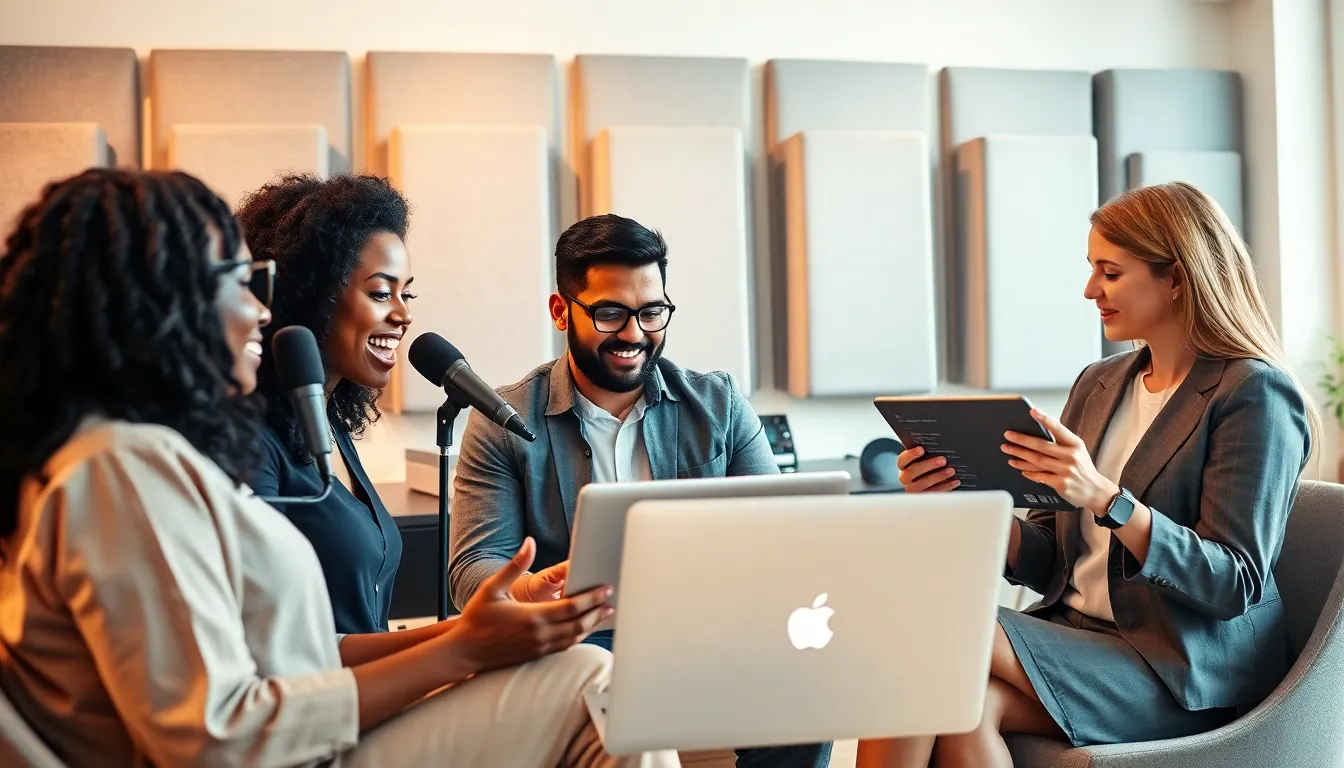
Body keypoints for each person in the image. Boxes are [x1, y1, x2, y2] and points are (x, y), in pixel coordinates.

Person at [0, 168, 678, 768]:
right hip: (304, 752)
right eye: (243, 283)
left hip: (316, 734)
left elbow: (288, 656)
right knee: (592, 678)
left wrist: (470, 631)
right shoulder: (117, 468)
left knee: (588, 680)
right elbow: (218, 736)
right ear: (162, 304)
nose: (260, 310)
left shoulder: (132, 463)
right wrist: (463, 652)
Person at [857, 181, 1315, 767]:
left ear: (1176, 277)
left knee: (926, 626)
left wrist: (1106, 499)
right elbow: (1053, 561)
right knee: (953, 703)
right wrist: (967, 506)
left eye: (1111, 272)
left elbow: (1233, 582)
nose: (1090, 290)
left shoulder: (1252, 394)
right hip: (1078, 635)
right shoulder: (1099, 384)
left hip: (1180, 666)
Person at [450, 213, 832, 768]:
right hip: (581, 643)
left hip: (712, 631)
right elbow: (472, 570)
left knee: (804, 695)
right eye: (610, 313)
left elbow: (780, 535)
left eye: (652, 311)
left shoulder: (719, 403)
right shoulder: (505, 420)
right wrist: (535, 588)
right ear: (562, 311)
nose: (634, 333)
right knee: (595, 690)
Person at [237, 173, 415, 635]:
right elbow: (270, 639)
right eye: (381, 293)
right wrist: (464, 640)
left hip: (378, 692)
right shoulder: (251, 442)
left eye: (405, 292)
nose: (403, 314)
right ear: (313, 295)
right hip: (327, 702)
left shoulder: (328, 424)